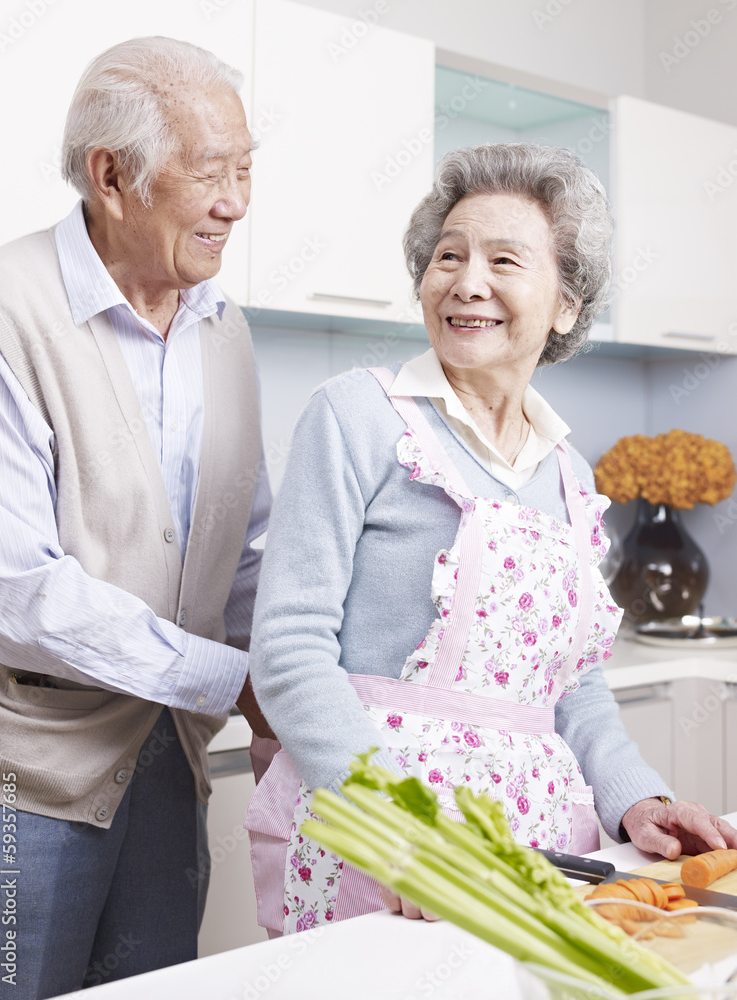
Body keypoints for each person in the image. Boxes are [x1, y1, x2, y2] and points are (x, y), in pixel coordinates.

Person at [244, 143, 737, 936]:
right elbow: (290, 649)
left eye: (504, 259)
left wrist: (640, 799)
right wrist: (396, 831)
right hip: (387, 839)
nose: (467, 280)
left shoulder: (572, 473)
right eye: (448, 256)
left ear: (567, 303)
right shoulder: (358, 416)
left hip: (540, 842)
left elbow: (575, 688)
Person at [0, 36, 272, 998]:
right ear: (112, 176)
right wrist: (237, 682)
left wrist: (296, 671)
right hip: (26, 775)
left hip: (172, 758)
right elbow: (16, 591)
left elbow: (245, 550)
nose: (236, 201)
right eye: (210, 172)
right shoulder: (3, 309)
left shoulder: (223, 329)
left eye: (246, 169)